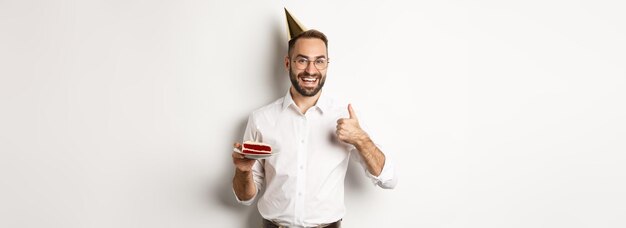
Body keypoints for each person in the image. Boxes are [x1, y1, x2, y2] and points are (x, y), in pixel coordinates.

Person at [231, 26, 397, 228]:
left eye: (319, 61)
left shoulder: (346, 116)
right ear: (287, 63)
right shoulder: (261, 119)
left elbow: (388, 180)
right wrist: (243, 172)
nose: (311, 70)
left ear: (327, 65)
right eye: (302, 60)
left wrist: (360, 139)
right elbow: (244, 197)